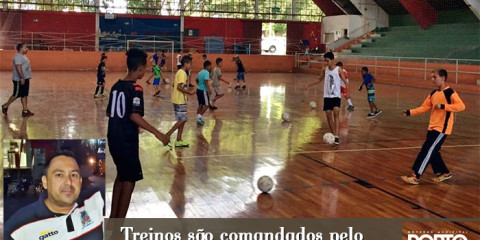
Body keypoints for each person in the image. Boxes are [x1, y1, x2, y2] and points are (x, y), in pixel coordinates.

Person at [107, 48, 169, 218]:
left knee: (121, 175)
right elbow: (134, 115)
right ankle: (119, 224)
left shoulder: (116, 86)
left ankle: (113, 218)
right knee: (130, 180)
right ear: (140, 68)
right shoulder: (136, 89)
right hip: (126, 139)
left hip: (113, 136)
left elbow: (113, 113)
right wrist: (158, 133)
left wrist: (132, 125)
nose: (146, 71)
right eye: (145, 68)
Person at [4, 151, 104, 240]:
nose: (68, 182)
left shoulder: (98, 200)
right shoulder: (17, 229)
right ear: (45, 182)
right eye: (59, 175)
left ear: (80, 181)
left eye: (74, 175)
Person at [401, 69, 465, 185]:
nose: (432, 80)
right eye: (431, 77)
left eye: (435, 77)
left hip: (442, 128)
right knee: (433, 151)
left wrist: (443, 106)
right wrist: (410, 112)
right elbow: (424, 107)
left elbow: (461, 106)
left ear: (443, 78)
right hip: (432, 127)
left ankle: (416, 175)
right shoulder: (433, 93)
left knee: (427, 150)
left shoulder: (450, 92)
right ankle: (444, 173)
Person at [304, 52, 348, 145]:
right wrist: (309, 84)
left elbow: (345, 81)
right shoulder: (325, 70)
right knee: (328, 115)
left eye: (327, 60)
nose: (326, 62)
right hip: (327, 96)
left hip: (336, 95)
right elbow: (319, 79)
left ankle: (336, 136)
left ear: (332, 60)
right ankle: (334, 134)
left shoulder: (338, 70)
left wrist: (347, 92)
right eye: (325, 60)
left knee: (336, 112)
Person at [166, 56, 196, 148]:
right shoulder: (182, 73)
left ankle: (179, 140)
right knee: (182, 120)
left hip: (177, 99)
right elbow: (179, 87)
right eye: (190, 64)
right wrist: (189, 92)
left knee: (182, 120)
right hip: (179, 100)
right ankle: (167, 135)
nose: (191, 66)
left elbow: (174, 85)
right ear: (186, 64)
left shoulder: (179, 72)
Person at [2, 43, 34, 117]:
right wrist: (21, 77)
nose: (27, 49)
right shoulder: (18, 57)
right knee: (16, 95)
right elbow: (18, 67)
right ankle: (5, 106)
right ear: (21, 48)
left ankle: (25, 111)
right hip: (19, 79)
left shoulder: (23, 56)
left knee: (24, 95)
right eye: (26, 47)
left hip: (25, 78)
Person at [196, 60, 213, 125]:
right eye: (210, 66)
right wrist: (208, 89)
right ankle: (199, 117)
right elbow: (206, 81)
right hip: (203, 90)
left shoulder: (200, 72)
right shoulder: (206, 72)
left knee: (200, 104)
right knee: (207, 104)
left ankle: (198, 117)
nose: (210, 67)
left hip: (198, 89)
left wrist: (199, 85)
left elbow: (196, 79)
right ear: (208, 66)